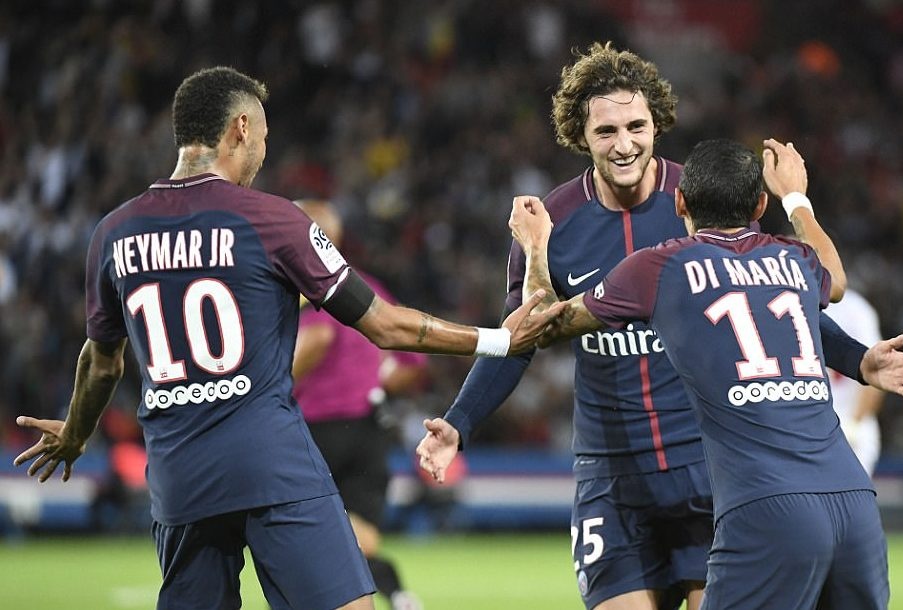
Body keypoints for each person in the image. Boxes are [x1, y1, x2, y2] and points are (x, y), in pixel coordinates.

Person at [11, 66, 563, 610]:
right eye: (264, 135)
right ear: (241, 129)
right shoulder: (273, 220)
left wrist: (75, 434)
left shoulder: (112, 232)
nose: (263, 151)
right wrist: (499, 340)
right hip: (268, 461)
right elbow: (384, 325)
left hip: (179, 474)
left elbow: (102, 362)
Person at [417, 43, 903, 610]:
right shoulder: (550, 222)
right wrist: (460, 421)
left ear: (657, 124)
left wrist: (856, 359)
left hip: (707, 468)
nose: (624, 144)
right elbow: (520, 340)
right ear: (579, 135)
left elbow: (773, 301)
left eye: (636, 126)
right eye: (606, 131)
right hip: (613, 474)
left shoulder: (701, 199)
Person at [502, 137, 903, 610]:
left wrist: (535, 249)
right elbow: (836, 280)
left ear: (680, 202)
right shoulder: (793, 259)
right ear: (759, 205)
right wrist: (796, 197)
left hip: (766, 505)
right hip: (854, 500)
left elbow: (545, 325)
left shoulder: (659, 267)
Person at [292, 198, 427, 610]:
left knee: (298, 534)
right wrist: (374, 381)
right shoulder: (365, 286)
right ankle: (395, 590)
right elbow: (413, 362)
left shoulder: (303, 286)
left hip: (317, 430)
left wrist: (273, 383)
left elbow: (318, 338)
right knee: (359, 535)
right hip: (368, 427)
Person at [825, 287, 885, 476]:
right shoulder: (795, 299)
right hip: (810, 425)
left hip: (850, 423)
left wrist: (855, 424)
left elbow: (876, 369)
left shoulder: (855, 308)